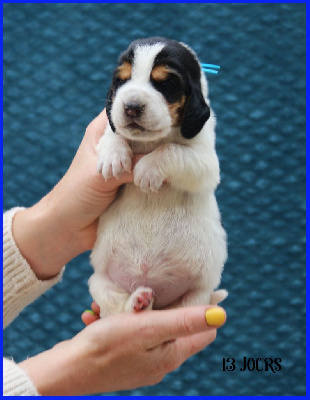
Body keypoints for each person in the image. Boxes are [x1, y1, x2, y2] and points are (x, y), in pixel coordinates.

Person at [3, 110, 227, 396]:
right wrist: (69, 370)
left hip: (188, 273)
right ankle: (127, 308)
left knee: (191, 299)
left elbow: (206, 171)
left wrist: (57, 226)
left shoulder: (195, 129)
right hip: (126, 271)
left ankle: (136, 309)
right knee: (102, 287)